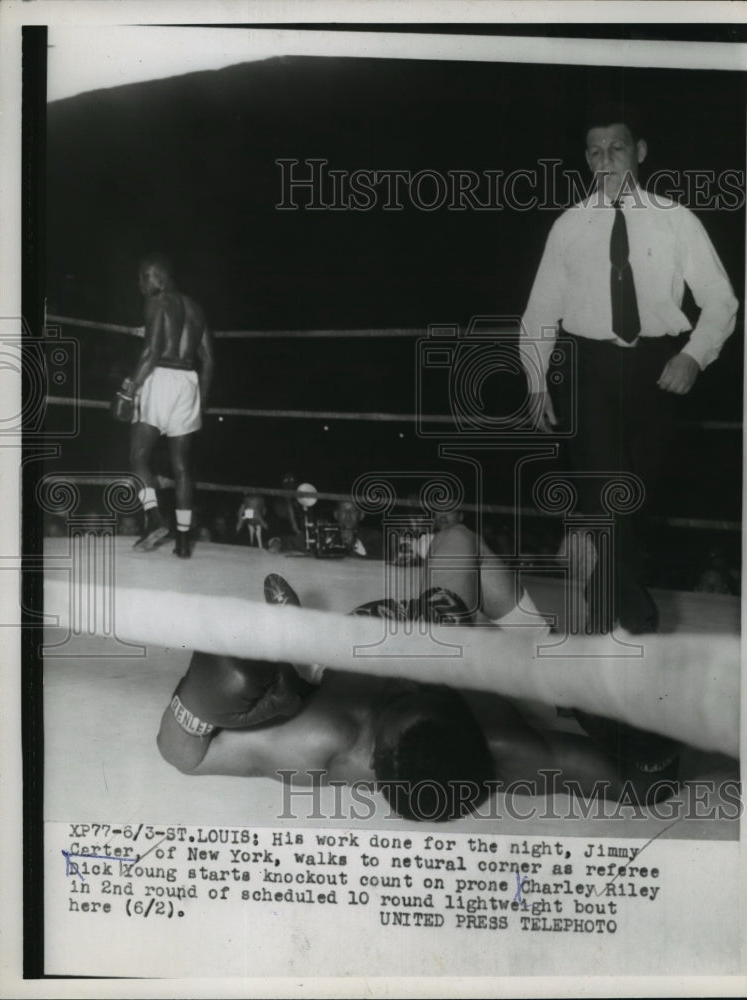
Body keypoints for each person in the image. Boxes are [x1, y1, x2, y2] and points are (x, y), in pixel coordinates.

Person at [156, 570, 674, 818]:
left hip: (342, 656)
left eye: (403, 697)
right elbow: (641, 787)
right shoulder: (509, 748)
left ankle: (292, 640)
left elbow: (183, 755)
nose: (411, 678)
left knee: (267, 677)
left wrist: (203, 698)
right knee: (455, 551)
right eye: (428, 690)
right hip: (455, 645)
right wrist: (634, 722)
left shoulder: (320, 742)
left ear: (373, 754)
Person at [520, 104, 738, 635]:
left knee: (633, 499)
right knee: (606, 492)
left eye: (616, 148)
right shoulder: (569, 226)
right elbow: (540, 313)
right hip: (588, 368)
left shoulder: (676, 219)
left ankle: (600, 610)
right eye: (594, 152)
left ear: (639, 152)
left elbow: (722, 301)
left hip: (656, 366)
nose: (605, 160)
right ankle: (634, 622)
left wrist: (692, 355)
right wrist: (534, 380)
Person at [122, 254, 216, 558]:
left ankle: (153, 518)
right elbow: (210, 362)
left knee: (138, 456)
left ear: (157, 276)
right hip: (188, 383)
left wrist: (128, 388)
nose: (140, 284)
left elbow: (152, 352)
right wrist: (199, 403)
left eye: (143, 276)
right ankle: (184, 541)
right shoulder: (196, 309)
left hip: (160, 378)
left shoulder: (158, 301)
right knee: (181, 466)